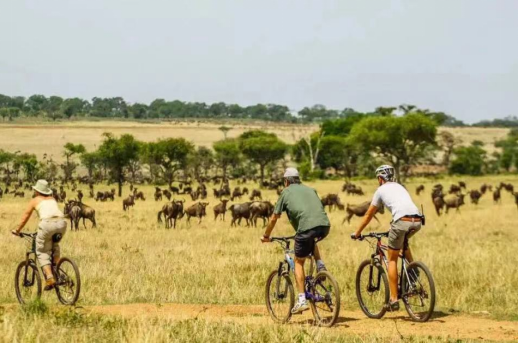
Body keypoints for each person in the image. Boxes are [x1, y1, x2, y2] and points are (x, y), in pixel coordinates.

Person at [352, 165, 422, 311]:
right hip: (417, 220)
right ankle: (413, 268)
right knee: (402, 243)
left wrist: (357, 232)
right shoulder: (400, 186)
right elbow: (403, 207)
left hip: (401, 221)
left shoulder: (380, 190)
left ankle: (394, 299)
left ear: (380, 178)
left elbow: (369, 214)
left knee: (391, 260)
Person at [261, 167, 331, 314]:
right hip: (324, 226)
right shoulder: (310, 189)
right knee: (311, 240)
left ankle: (301, 300)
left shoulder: (285, 192)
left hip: (305, 229)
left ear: (286, 181)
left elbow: (274, 217)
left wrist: (266, 235)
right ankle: (320, 265)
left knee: (299, 262)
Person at [12, 179, 67, 290]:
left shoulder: (35, 200)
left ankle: (50, 278)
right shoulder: (52, 199)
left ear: (37, 191)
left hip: (47, 224)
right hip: (62, 223)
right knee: (54, 246)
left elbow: (25, 216)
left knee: (41, 251)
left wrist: (17, 230)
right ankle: (58, 272)